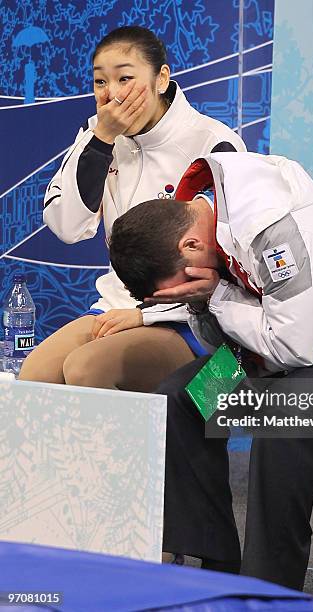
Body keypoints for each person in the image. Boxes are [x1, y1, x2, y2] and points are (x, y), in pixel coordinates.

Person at [108, 151, 313, 588]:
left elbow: (293, 348)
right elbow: (226, 342)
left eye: (183, 287)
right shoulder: (212, 234)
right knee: (182, 398)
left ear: (189, 247)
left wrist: (215, 298)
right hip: (303, 355)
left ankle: (269, 591)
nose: (189, 291)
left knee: (286, 417)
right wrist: (202, 301)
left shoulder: (273, 228)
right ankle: (217, 571)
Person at [19, 25, 246, 391]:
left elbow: (232, 261)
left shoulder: (212, 142)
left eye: (125, 78)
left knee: (87, 369)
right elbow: (67, 226)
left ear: (161, 78)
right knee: (35, 377)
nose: (112, 96)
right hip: (115, 304)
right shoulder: (96, 134)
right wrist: (101, 141)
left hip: (194, 317)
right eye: (100, 83)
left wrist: (145, 316)